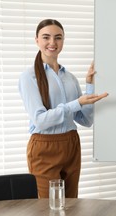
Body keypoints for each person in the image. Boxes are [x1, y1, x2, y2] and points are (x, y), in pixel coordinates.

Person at [18, 19, 108, 198]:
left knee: (71, 204)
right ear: (37, 40)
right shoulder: (29, 77)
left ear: (63, 41)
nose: (52, 43)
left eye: (58, 38)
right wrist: (77, 103)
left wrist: (89, 85)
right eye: (46, 37)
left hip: (71, 144)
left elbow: (86, 121)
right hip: (44, 148)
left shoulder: (70, 78)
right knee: (47, 207)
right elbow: (40, 120)